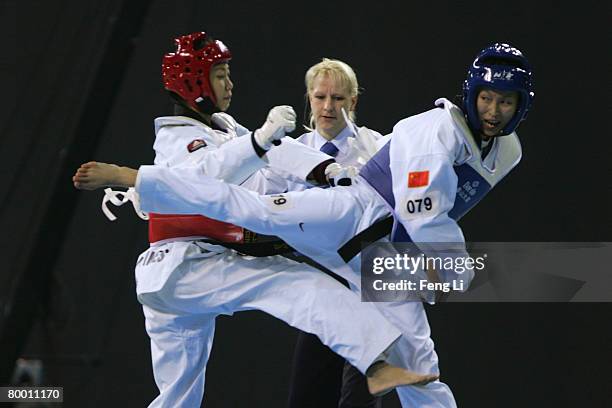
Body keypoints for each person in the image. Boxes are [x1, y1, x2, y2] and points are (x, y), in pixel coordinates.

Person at [74, 42, 534, 407]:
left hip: (378, 252)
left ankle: (388, 372)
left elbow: (430, 215)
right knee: (259, 216)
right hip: (321, 229)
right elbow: (422, 212)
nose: (494, 111)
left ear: (354, 101)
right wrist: (451, 266)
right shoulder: (437, 131)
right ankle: (134, 177)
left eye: (505, 102)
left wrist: (323, 168)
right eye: (320, 96)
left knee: (416, 353)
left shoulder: (392, 144)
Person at [285, 58, 387, 408]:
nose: (328, 107)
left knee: (360, 397)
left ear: (353, 102)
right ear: (309, 99)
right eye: (320, 97)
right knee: (309, 395)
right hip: (319, 284)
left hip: (369, 281)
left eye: (339, 99)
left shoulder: (377, 149)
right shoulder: (289, 153)